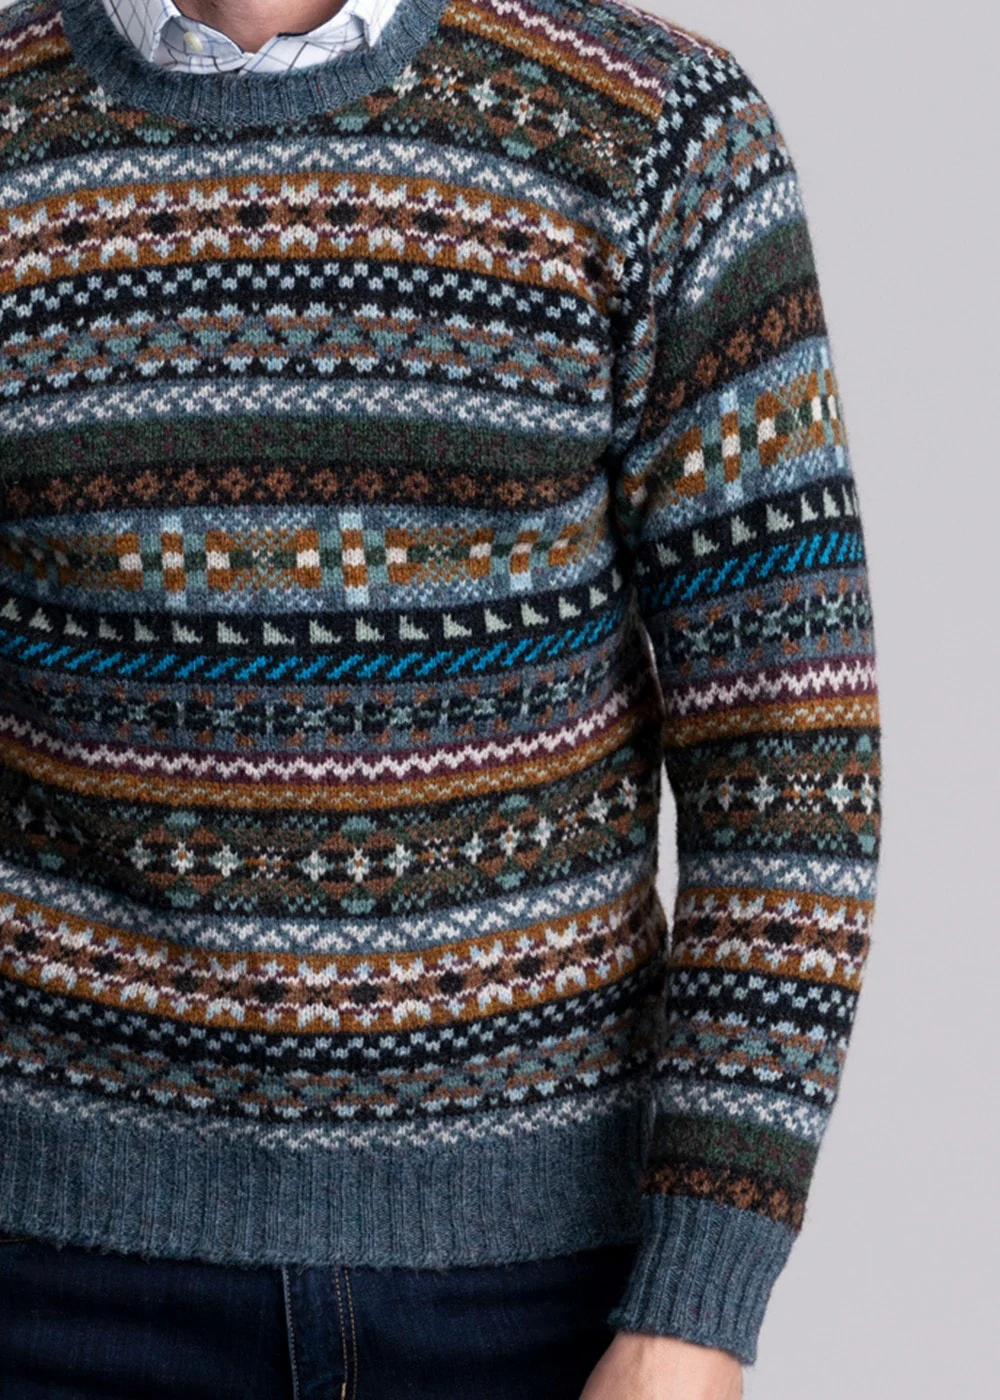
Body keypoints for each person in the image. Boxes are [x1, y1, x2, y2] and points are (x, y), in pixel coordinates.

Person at [0, 0, 881, 1396]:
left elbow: (792, 754)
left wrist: (699, 1304)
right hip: (50, 1273)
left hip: (535, 1295)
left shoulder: (654, 133)